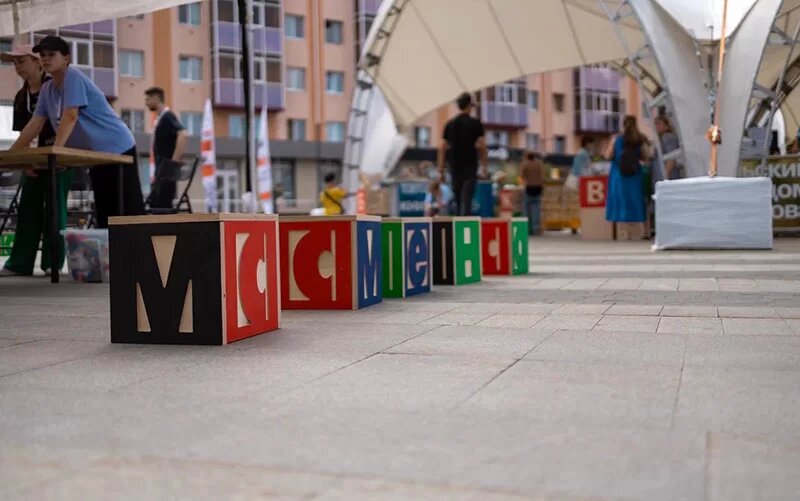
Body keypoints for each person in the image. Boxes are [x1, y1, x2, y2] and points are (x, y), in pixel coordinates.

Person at [10, 36, 144, 229]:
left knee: (128, 210)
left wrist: (56, 151)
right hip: (97, 155)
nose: (46, 59)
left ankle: (138, 248)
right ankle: (111, 248)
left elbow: (70, 115)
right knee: (106, 212)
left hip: (118, 147)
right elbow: (34, 124)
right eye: (43, 55)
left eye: (51, 54)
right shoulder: (48, 89)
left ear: (66, 58)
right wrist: (12, 154)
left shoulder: (73, 76)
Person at [0, 44, 72, 277]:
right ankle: (20, 263)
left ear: (37, 61)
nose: (17, 66)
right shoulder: (21, 97)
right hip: (33, 159)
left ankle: (53, 263)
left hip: (59, 157)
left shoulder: (55, 88)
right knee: (27, 209)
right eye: (14, 63)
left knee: (55, 209)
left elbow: (68, 121)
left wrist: (60, 153)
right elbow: (24, 134)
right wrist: (22, 162)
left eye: (21, 61)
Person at [438, 92, 487, 216]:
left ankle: (460, 222)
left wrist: (441, 170)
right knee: (467, 199)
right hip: (470, 166)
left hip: (454, 166)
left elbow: (442, 147)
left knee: (459, 199)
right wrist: (484, 165)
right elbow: (482, 145)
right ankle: (465, 222)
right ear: (469, 105)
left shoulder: (450, 124)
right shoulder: (476, 123)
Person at [605, 115, 649, 240]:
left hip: (618, 175)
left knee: (621, 202)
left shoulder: (617, 139)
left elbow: (607, 155)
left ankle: (625, 233)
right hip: (634, 175)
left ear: (623, 124)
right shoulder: (640, 139)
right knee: (636, 201)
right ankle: (641, 232)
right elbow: (646, 156)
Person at [145, 86, 188, 209]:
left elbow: (183, 134)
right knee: (156, 205)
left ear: (156, 99)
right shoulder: (161, 119)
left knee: (161, 208)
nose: (146, 103)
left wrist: (173, 162)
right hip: (161, 172)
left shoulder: (167, 116)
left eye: (148, 99)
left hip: (166, 173)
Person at [519, 151, 544, 235]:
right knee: (536, 209)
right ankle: (535, 228)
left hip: (529, 188)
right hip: (538, 188)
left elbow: (521, 175)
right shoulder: (539, 163)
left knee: (526, 209)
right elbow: (542, 175)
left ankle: (526, 228)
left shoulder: (525, 164)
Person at [654, 115, 683, 180]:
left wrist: (665, 176)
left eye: (658, 124)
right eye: (655, 124)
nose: (656, 126)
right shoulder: (661, 138)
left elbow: (671, 158)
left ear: (666, 125)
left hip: (668, 176)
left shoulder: (668, 137)